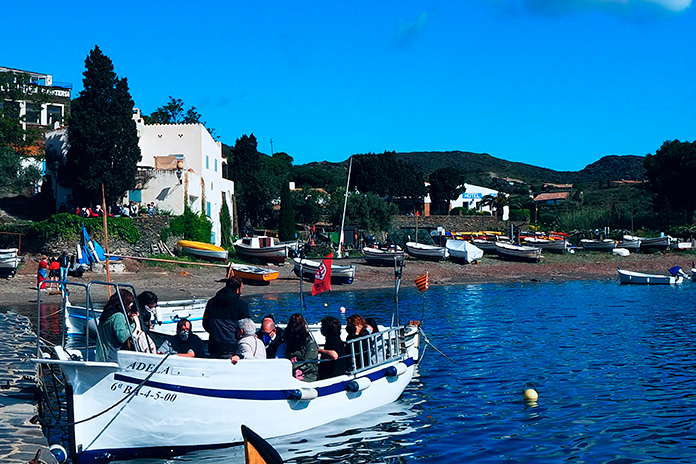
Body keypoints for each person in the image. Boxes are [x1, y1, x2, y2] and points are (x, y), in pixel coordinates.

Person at [202, 276, 249, 358]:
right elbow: (245, 328)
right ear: (237, 290)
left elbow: (206, 324)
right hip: (232, 347)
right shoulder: (241, 305)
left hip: (214, 346)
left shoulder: (211, 303)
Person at [95, 289, 138, 362]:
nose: (130, 306)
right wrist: (134, 324)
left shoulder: (106, 314)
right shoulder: (118, 316)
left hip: (101, 355)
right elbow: (122, 337)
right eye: (129, 304)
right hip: (111, 356)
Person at [284, 313, 318, 382]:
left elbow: (310, 363)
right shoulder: (288, 339)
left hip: (306, 374)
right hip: (290, 370)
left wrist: (297, 369)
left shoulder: (310, 344)